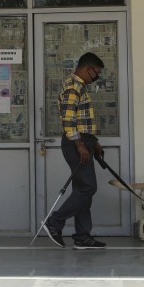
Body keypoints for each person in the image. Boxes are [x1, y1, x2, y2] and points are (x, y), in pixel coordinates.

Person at [44, 52, 107, 250]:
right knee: (88, 188)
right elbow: (69, 120)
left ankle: (82, 236)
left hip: (83, 141)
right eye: (96, 73)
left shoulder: (81, 87)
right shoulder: (73, 87)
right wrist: (80, 145)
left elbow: (83, 120)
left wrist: (93, 142)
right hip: (75, 143)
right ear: (87, 68)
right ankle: (54, 222)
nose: (96, 77)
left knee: (82, 191)